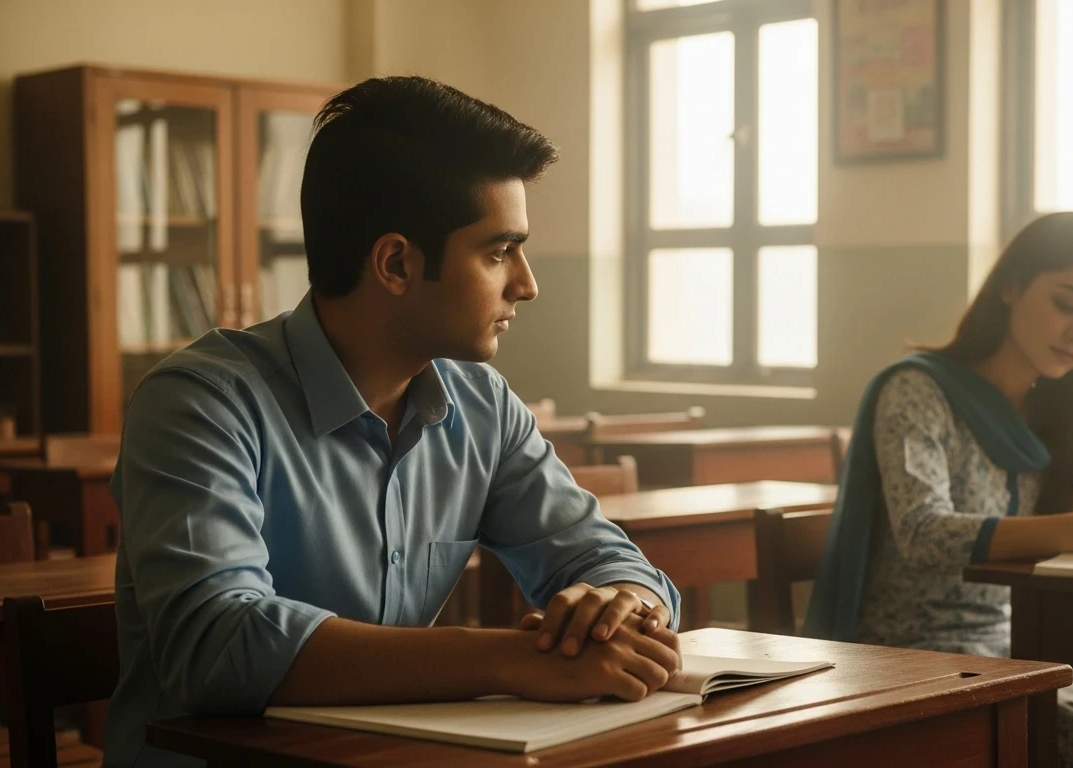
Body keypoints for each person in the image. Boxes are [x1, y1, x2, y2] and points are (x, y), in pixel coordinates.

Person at [104, 76, 681, 767]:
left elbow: (604, 557)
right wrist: (510, 657)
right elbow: (220, 644)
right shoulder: (199, 402)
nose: (526, 283)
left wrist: (622, 606)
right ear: (397, 263)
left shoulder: (483, 406)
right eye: (498, 252)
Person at [805, 212, 1073, 768]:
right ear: (1010, 286)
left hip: (1018, 647)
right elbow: (924, 533)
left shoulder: (1067, 407)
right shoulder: (917, 390)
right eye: (1067, 305)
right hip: (906, 652)